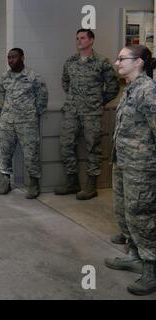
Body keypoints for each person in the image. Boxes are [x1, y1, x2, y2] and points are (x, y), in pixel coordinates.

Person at [105, 44, 156, 296]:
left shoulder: (148, 91)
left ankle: (151, 269)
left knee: (142, 216)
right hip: (124, 162)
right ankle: (134, 255)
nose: (117, 62)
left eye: (122, 58)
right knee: (124, 211)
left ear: (139, 62)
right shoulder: (129, 89)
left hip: (142, 167)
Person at [55, 29, 119, 200]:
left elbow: (113, 87)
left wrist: (97, 101)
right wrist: (75, 99)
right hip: (72, 111)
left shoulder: (102, 62)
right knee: (66, 145)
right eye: (77, 38)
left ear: (91, 40)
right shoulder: (71, 61)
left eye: (82, 38)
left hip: (92, 112)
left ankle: (91, 186)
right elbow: (65, 82)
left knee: (93, 148)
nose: (79, 41)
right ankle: (72, 182)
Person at [0, 48, 48, 199]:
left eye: (14, 57)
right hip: (7, 122)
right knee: (4, 152)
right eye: (8, 57)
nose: (11, 60)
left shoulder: (33, 77)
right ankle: (6, 180)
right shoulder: (3, 78)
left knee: (31, 154)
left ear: (22, 57)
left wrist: (32, 114)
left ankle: (34, 183)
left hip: (27, 123)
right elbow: (0, 99)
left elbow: (42, 99)